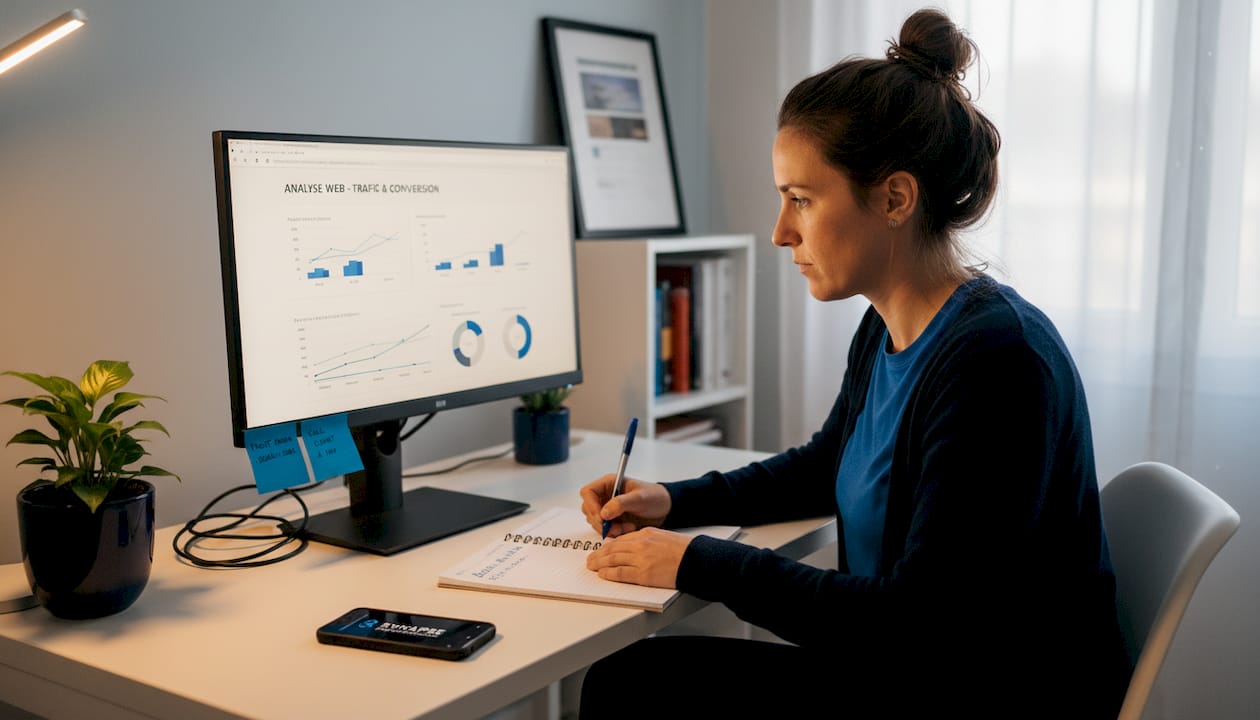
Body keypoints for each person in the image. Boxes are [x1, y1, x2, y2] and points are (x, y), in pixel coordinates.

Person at [576, 8, 1131, 719]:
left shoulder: (998, 363)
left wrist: (701, 562)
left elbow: (917, 622)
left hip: (981, 688)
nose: (781, 232)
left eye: (801, 200)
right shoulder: (888, 326)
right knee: (634, 678)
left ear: (895, 198)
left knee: (630, 685)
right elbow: (826, 464)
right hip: (912, 667)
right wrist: (674, 500)